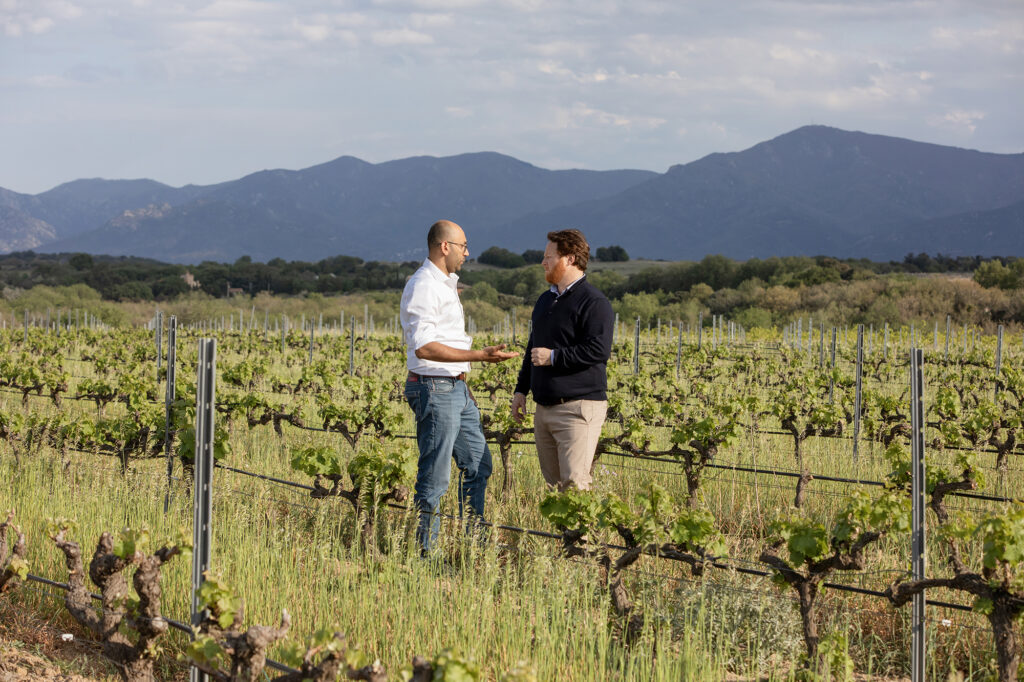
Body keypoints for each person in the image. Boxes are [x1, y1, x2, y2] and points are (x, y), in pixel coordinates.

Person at [400, 219, 518, 553]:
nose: (468, 252)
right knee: (435, 477)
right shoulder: (424, 285)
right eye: (463, 245)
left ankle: (473, 546)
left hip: (454, 388)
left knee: (479, 464)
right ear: (444, 247)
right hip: (435, 387)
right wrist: (478, 356)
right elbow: (423, 346)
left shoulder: (446, 284)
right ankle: (427, 554)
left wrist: (464, 377)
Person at [512, 229, 613, 490]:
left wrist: (555, 357)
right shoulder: (546, 300)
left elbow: (598, 350)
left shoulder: (594, 302)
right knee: (554, 487)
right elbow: (533, 348)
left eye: (549, 257)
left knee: (574, 487)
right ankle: (565, 534)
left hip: (577, 409)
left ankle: (582, 533)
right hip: (544, 410)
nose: (543, 262)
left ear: (569, 258)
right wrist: (521, 390)